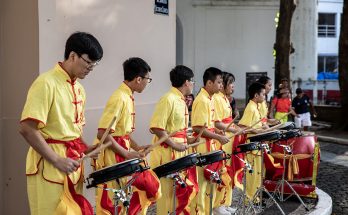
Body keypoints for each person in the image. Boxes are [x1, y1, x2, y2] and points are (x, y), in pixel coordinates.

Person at [19, 32, 103, 214]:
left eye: (94, 65)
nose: (90, 68)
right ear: (73, 55)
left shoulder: (80, 89)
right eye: (88, 62)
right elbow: (27, 128)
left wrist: (85, 147)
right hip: (50, 165)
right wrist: (56, 159)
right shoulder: (46, 83)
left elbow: (73, 129)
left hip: (72, 163)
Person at [93, 57, 159, 215]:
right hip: (111, 154)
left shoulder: (127, 95)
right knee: (112, 200)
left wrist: (136, 147)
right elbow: (103, 133)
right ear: (138, 79)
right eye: (147, 79)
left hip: (120, 150)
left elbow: (122, 133)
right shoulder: (119, 97)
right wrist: (126, 153)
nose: (147, 83)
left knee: (125, 196)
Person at [149, 65, 197, 215]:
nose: (193, 84)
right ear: (186, 82)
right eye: (192, 81)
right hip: (167, 152)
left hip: (179, 151)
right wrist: (175, 144)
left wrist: (188, 139)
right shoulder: (168, 99)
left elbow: (177, 130)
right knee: (168, 193)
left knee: (180, 190)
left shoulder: (181, 100)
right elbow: (156, 127)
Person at [189, 67, 230, 215]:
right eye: (219, 82)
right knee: (201, 182)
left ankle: (208, 210)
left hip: (209, 144)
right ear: (209, 83)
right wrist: (218, 136)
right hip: (202, 146)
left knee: (210, 181)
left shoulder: (209, 98)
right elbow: (198, 127)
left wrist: (216, 131)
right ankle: (199, 212)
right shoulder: (202, 100)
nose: (221, 85)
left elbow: (208, 125)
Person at [212, 71, 241, 214]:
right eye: (230, 83)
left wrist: (236, 128)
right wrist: (233, 129)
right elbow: (217, 123)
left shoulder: (224, 98)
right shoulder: (217, 98)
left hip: (229, 139)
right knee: (222, 171)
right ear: (223, 84)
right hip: (223, 139)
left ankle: (226, 202)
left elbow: (227, 121)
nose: (232, 86)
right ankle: (218, 204)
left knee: (229, 172)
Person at [238, 82, 268, 201]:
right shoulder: (250, 108)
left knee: (258, 174)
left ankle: (255, 198)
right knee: (252, 174)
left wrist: (263, 128)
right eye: (263, 95)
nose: (264, 97)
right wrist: (255, 131)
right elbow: (242, 126)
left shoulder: (256, 107)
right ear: (256, 95)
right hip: (251, 146)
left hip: (257, 144)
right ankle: (249, 199)